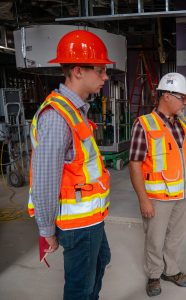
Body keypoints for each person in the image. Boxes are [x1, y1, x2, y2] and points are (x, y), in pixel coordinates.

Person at [27, 30, 113, 299]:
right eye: (100, 70)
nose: (105, 77)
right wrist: (46, 231)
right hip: (78, 224)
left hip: (91, 217)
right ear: (78, 70)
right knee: (80, 289)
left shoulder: (75, 111)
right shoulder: (56, 117)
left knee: (100, 263)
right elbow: (44, 180)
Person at [128, 73, 186, 297]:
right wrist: (143, 200)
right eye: (182, 97)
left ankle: (172, 270)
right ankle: (154, 275)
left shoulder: (184, 124)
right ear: (167, 96)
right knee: (155, 239)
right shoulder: (145, 124)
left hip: (182, 195)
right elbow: (135, 164)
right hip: (157, 198)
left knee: (176, 236)